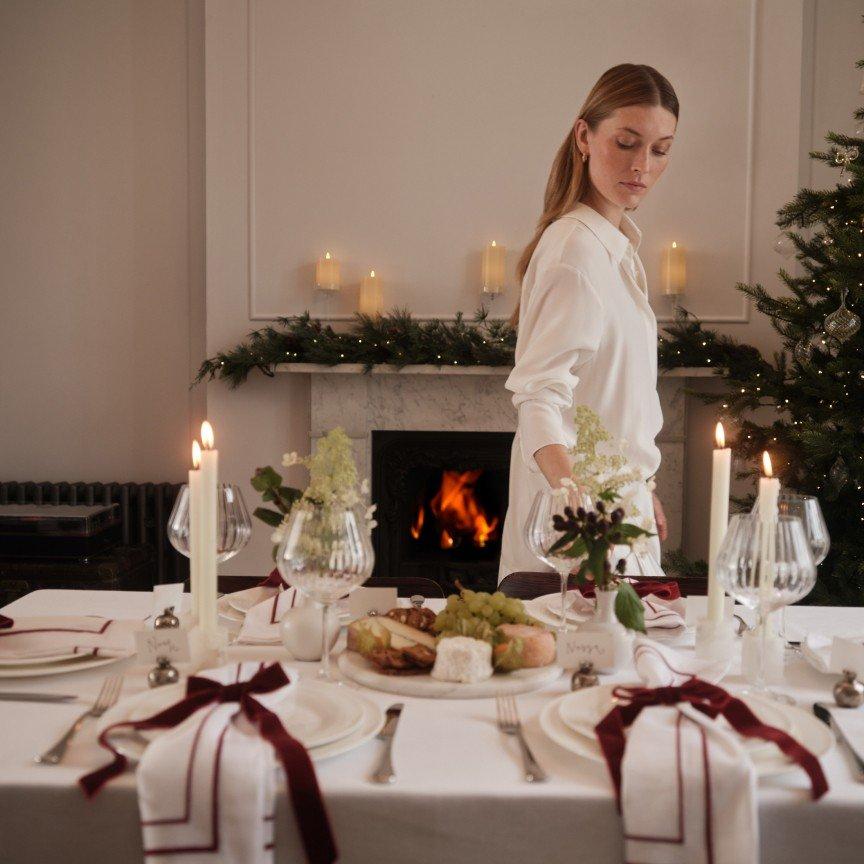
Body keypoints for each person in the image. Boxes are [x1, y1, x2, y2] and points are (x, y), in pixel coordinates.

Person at [498, 63, 677, 583]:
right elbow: (538, 398)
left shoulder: (614, 248)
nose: (642, 164)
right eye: (626, 142)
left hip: (620, 513)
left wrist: (642, 489)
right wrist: (579, 509)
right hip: (581, 532)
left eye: (660, 150)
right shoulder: (576, 250)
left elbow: (614, 395)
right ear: (584, 136)